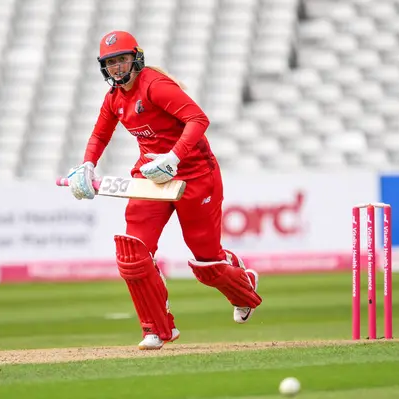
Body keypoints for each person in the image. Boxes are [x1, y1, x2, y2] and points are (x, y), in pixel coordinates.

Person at [66, 31, 262, 350]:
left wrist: (173, 157)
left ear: (136, 58)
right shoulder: (114, 98)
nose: (117, 68)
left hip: (195, 173)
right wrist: (87, 165)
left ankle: (244, 289)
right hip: (151, 177)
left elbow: (198, 119)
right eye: (110, 62)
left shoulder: (155, 86)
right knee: (133, 253)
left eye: (122, 59)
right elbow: (99, 136)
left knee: (207, 265)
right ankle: (157, 330)